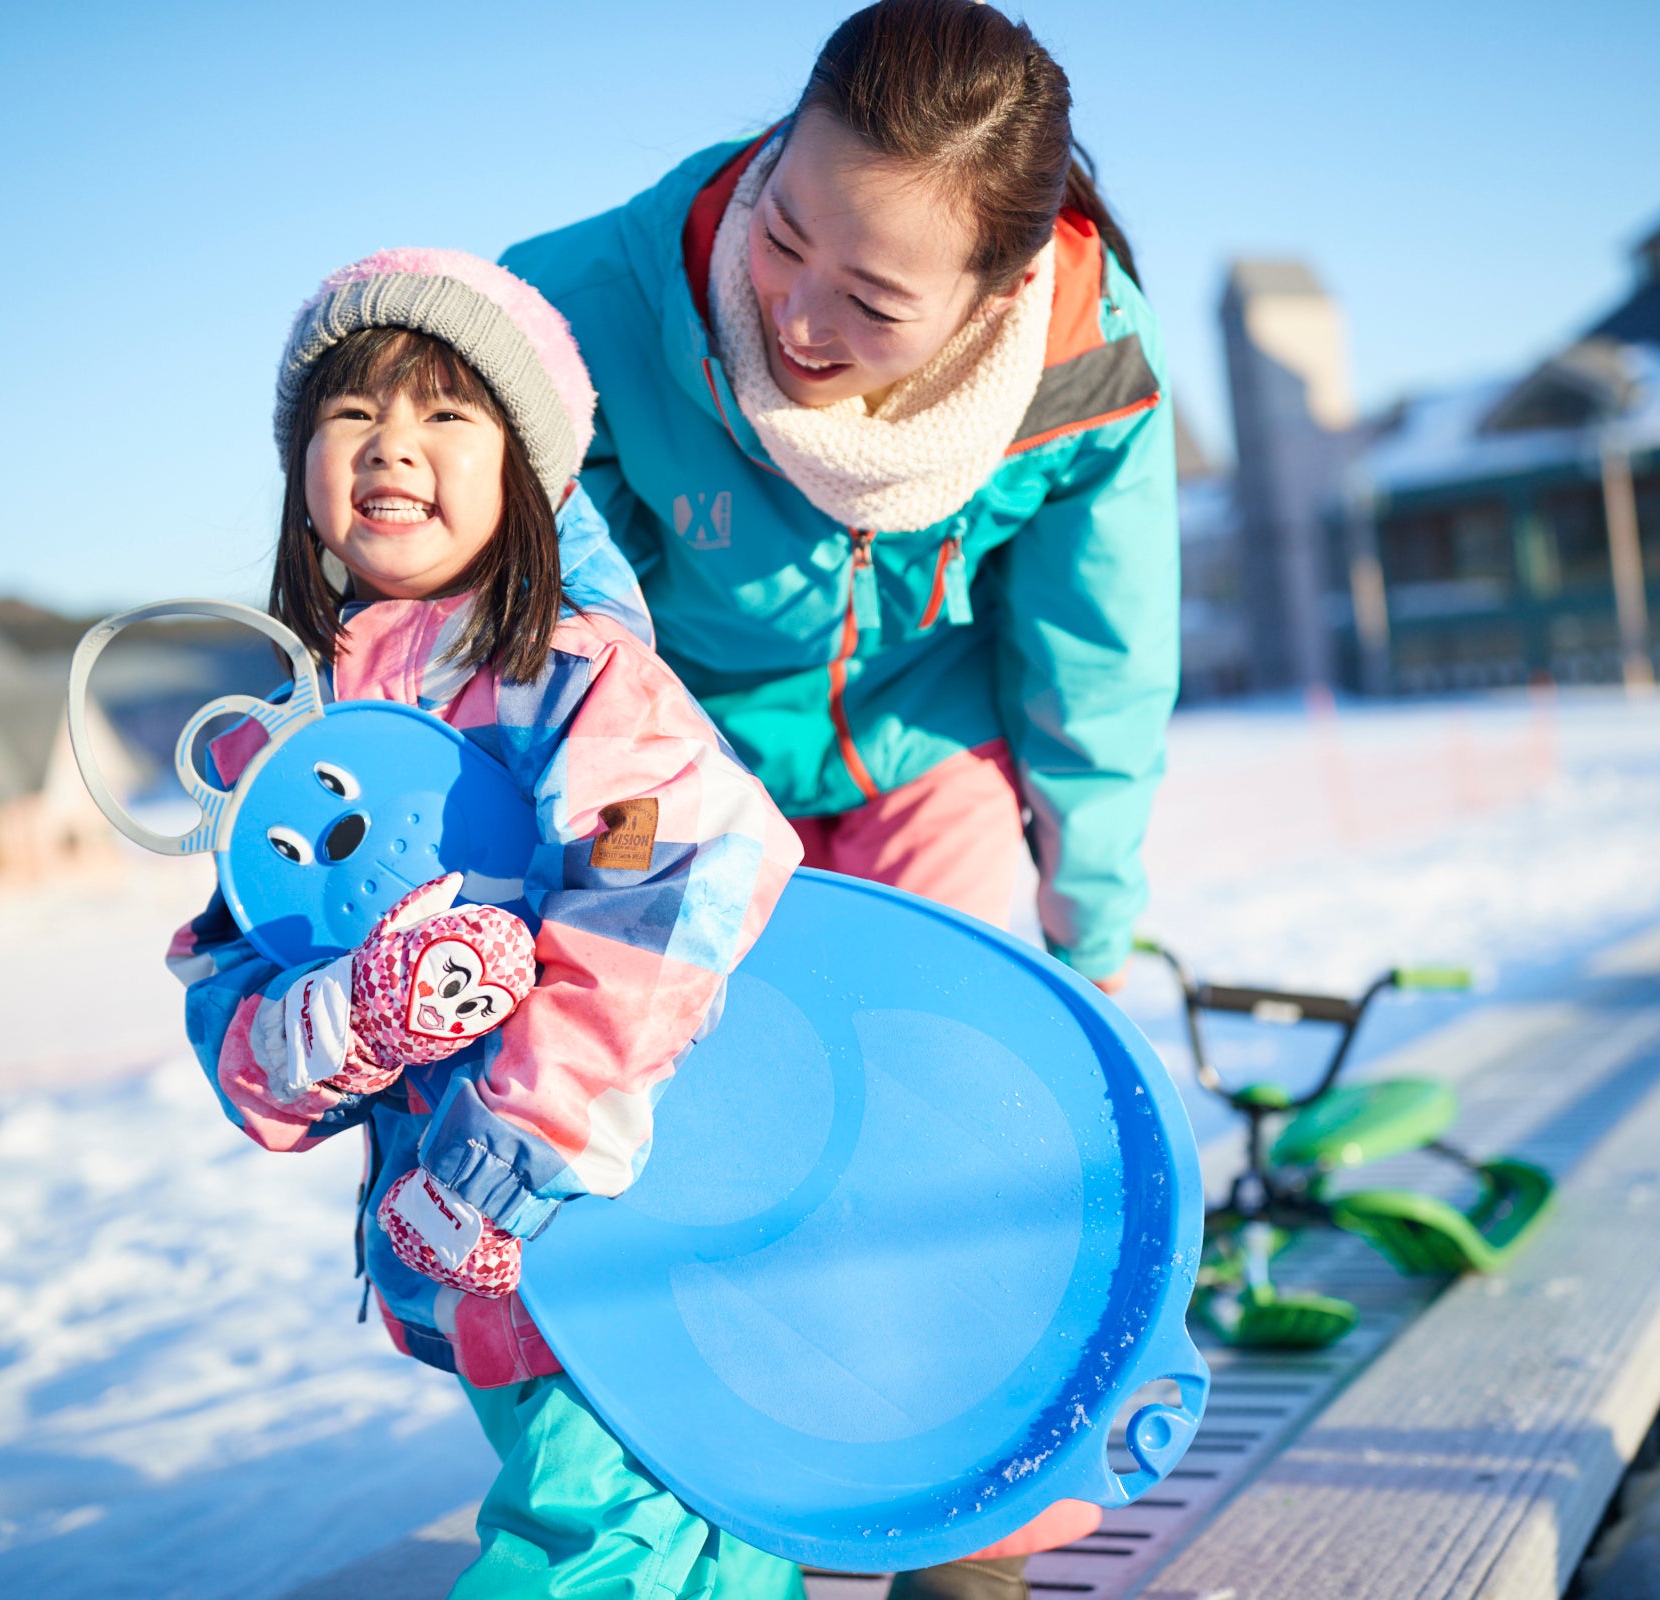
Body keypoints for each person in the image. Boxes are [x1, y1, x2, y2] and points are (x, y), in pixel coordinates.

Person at [504, 2, 1179, 1591]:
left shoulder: (1087, 356)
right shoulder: (582, 316)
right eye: (785, 234)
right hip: (666, 759)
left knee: (954, 1112)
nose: (798, 311)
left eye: (872, 297)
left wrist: (1092, 924)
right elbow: (566, 653)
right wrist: (618, 885)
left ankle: (969, 1524)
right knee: (668, 1084)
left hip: (919, 747)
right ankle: (716, 1493)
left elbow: (1096, 661)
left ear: (999, 292)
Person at [166, 248, 807, 1599]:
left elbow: (674, 877)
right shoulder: (298, 747)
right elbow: (232, 976)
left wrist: (502, 1160)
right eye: (352, 413)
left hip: (604, 1212)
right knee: (698, 1536)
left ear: (531, 471)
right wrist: (338, 1020)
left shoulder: (569, 675)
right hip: (468, 1255)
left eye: (447, 412)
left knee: (593, 1536)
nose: (392, 444)